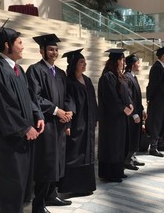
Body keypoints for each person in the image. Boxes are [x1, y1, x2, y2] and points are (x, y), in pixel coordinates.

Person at [0, 24, 45, 213]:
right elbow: (2, 105)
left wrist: (38, 115)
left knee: (22, 185)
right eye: (19, 42)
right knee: (12, 186)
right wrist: (25, 128)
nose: (23, 46)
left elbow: (30, 97)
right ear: (7, 45)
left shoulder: (19, 70)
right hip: (9, 141)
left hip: (24, 140)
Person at [26, 34, 73, 213]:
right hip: (46, 124)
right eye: (50, 49)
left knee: (57, 163)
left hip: (60, 125)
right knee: (46, 164)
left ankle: (52, 196)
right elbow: (34, 97)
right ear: (42, 51)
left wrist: (68, 112)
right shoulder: (35, 70)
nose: (54, 52)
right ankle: (38, 205)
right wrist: (55, 110)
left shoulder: (60, 73)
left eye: (55, 49)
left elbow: (67, 96)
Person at [58, 48, 98, 196]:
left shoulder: (86, 80)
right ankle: (71, 187)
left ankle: (85, 186)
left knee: (87, 153)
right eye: (81, 62)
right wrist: (67, 124)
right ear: (74, 64)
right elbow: (68, 102)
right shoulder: (69, 82)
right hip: (76, 124)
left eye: (85, 62)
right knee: (74, 153)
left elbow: (93, 101)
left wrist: (95, 118)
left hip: (87, 123)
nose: (84, 64)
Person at [97, 49, 134, 182]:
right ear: (116, 61)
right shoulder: (108, 76)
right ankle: (110, 174)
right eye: (122, 60)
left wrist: (129, 104)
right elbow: (111, 98)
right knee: (112, 145)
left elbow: (126, 93)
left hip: (120, 117)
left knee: (120, 144)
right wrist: (123, 108)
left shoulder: (119, 75)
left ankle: (118, 171)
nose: (124, 62)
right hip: (111, 119)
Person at [146, 47, 164, 157]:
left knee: (162, 122)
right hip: (157, 101)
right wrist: (150, 99)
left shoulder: (163, 67)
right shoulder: (156, 67)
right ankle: (153, 147)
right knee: (156, 123)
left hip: (162, 100)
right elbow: (153, 85)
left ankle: (160, 143)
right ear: (163, 56)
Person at [123, 53, 147, 170]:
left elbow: (137, 97)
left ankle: (133, 156)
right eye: (138, 63)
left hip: (137, 111)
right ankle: (128, 159)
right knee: (131, 136)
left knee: (136, 136)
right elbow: (129, 98)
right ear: (132, 65)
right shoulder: (127, 77)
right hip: (131, 114)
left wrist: (142, 110)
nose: (139, 65)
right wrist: (134, 114)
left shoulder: (134, 77)